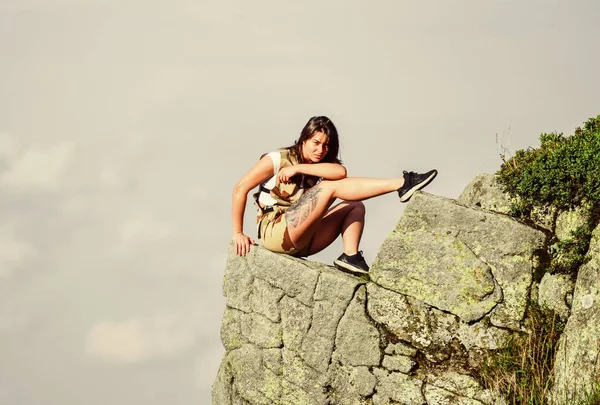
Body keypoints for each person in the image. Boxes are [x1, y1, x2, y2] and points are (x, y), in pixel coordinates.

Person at [231, 116, 437, 274]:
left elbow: (340, 173)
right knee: (328, 188)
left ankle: (350, 257)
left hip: (306, 240)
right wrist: (238, 233)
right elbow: (240, 188)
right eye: (316, 142)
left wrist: (299, 169)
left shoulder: (317, 165)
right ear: (304, 140)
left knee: (355, 207)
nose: (321, 150)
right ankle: (402, 184)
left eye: (326, 145)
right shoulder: (277, 159)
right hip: (275, 232)